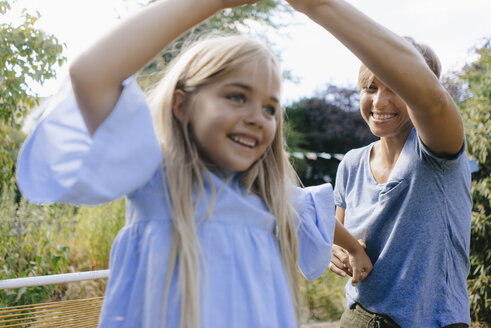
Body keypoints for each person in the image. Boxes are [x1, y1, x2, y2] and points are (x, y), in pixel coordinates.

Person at [16, 0, 373, 327]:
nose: (258, 118)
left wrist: (355, 250)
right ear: (181, 105)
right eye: (237, 96)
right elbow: (91, 74)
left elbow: (314, 211)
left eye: (270, 108)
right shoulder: (159, 178)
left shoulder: (263, 194)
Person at [285, 0, 472, 327]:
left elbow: (428, 99)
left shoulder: (438, 150)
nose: (380, 101)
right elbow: (338, 233)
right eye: (370, 87)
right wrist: (340, 253)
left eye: (395, 88)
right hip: (360, 317)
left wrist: (317, 7)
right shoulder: (352, 164)